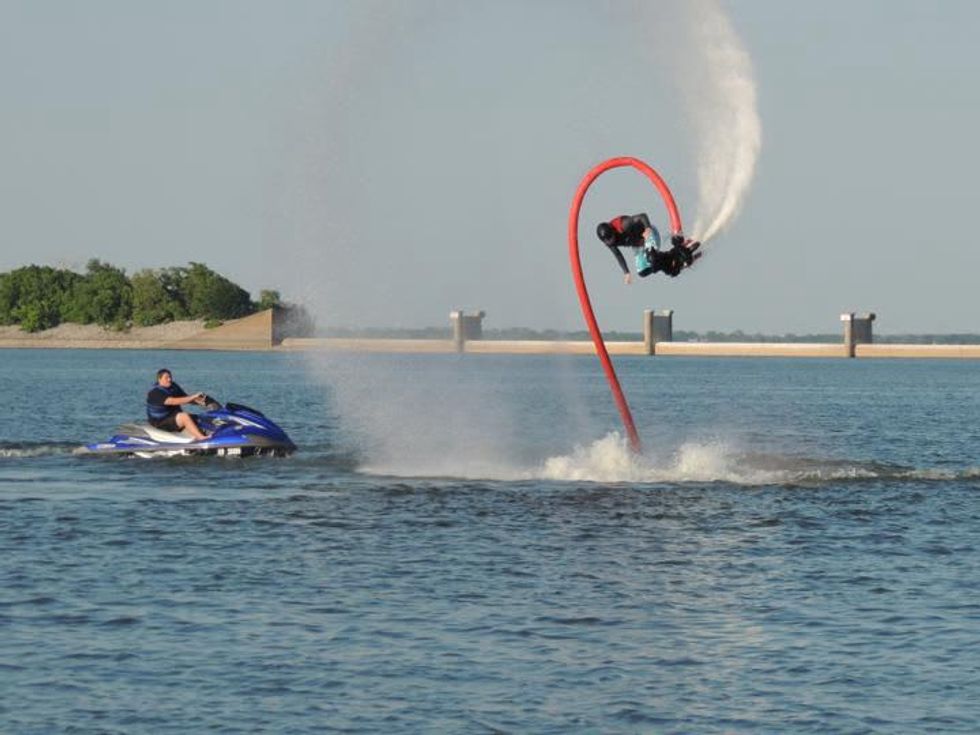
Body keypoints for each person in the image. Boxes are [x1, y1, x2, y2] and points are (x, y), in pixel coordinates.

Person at [596, 213, 700, 284]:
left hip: (648, 234)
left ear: (613, 231)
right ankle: (670, 262)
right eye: (608, 240)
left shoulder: (623, 224)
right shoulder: (608, 241)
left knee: (652, 258)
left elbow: (642, 216)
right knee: (643, 271)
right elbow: (618, 255)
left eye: (611, 237)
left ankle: (672, 256)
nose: (611, 241)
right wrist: (626, 272)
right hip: (639, 246)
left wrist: (647, 228)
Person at [145, 368, 208, 440]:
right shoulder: (155, 392)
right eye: (166, 378)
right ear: (159, 380)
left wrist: (201, 402)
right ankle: (202, 438)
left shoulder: (173, 386)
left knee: (200, 417)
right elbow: (173, 401)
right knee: (184, 417)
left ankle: (212, 434)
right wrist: (193, 397)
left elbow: (185, 398)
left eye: (170, 377)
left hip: (172, 417)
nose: (169, 379)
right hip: (160, 422)